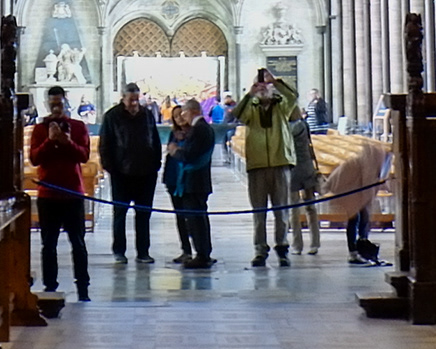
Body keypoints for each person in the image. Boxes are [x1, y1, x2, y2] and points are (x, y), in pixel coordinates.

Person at [234, 68, 309, 266]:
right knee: (259, 212)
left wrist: (275, 82)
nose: (262, 88)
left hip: (280, 163)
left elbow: (293, 96)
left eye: (265, 85)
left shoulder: (281, 106)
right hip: (257, 165)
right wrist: (249, 95)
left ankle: (282, 248)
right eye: (258, 85)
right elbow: (238, 115)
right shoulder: (251, 108)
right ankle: (260, 250)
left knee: (281, 210)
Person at [26, 85, 93, 295]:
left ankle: (83, 285)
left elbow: (83, 156)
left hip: (72, 191)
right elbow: (35, 159)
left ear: (65, 103)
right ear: (48, 104)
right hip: (48, 193)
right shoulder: (40, 129)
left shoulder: (78, 127)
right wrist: (49, 140)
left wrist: (66, 142)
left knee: (78, 242)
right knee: (48, 244)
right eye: (53, 104)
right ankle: (50, 286)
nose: (56, 108)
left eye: (59, 104)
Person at [97, 80, 163, 263]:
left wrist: (156, 163)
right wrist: (111, 168)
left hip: (146, 173)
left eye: (136, 99)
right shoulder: (112, 116)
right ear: (123, 98)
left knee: (143, 214)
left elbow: (154, 139)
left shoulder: (146, 114)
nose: (134, 103)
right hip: (121, 173)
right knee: (120, 213)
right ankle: (119, 251)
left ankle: (143, 252)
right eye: (131, 100)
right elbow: (105, 144)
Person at [163, 99, 221, 266]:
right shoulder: (202, 128)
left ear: (192, 111)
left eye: (184, 113)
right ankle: (202, 252)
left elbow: (188, 155)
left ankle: (202, 255)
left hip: (194, 183)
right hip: (195, 182)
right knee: (196, 219)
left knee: (196, 220)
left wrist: (174, 151)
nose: (183, 117)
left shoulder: (199, 129)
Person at [332, 122, 390, 264]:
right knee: (355, 218)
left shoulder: (378, 160)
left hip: (360, 191)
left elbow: (377, 179)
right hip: (350, 191)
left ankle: (362, 246)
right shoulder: (362, 161)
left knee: (364, 218)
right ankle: (353, 251)